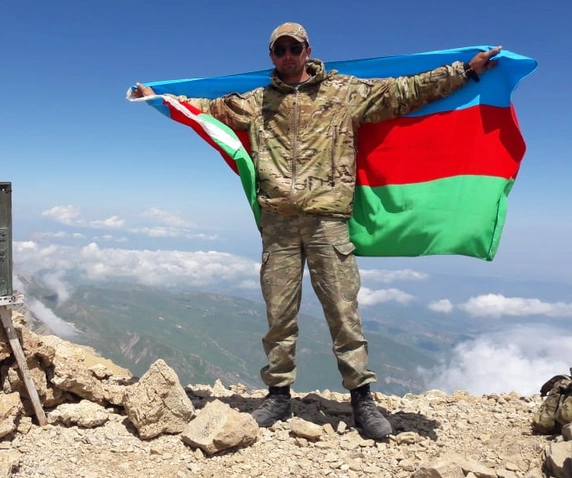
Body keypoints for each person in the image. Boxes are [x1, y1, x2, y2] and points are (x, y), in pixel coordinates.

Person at [131, 22, 501, 439]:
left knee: (344, 312)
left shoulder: (345, 93)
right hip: (278, 225)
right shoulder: (257, 101)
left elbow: (405, 92)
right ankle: (277, 395)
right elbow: (204, 108)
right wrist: (160, 99)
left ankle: (362, 399)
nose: (287, 55)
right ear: (272, 56)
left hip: (329, 221)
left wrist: (465, 72)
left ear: (308, 50)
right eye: (279, 50)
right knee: (279, 315)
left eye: (294, 48)